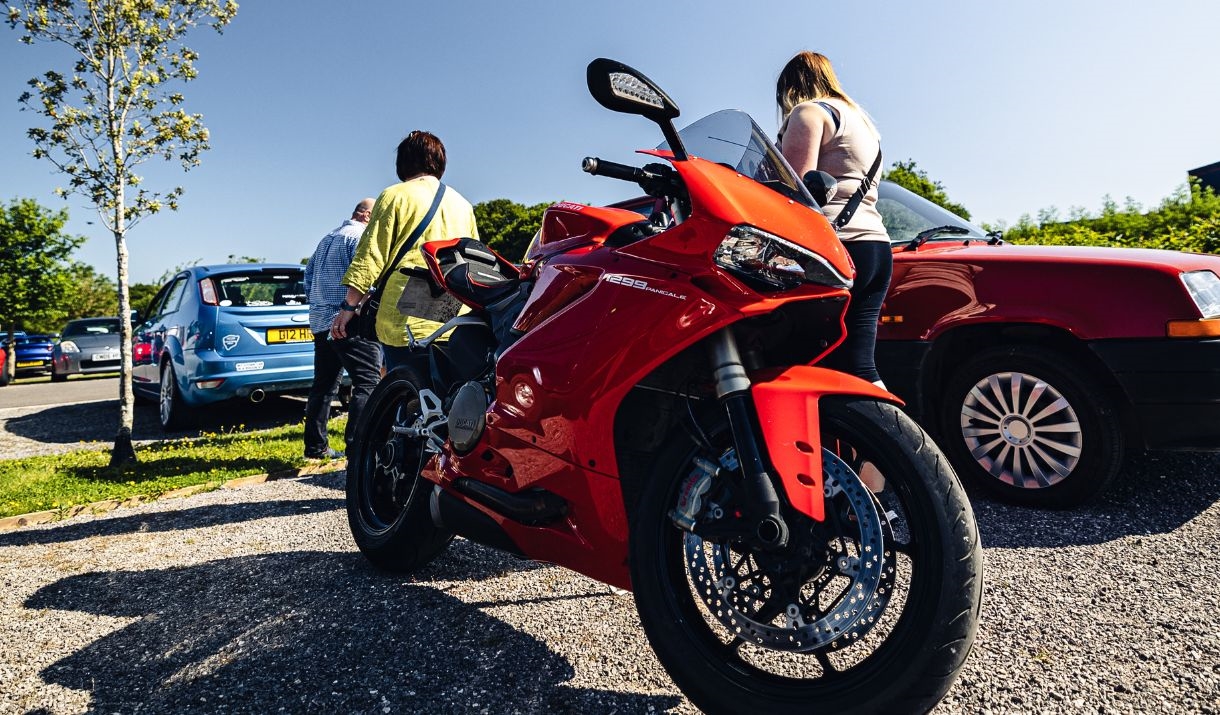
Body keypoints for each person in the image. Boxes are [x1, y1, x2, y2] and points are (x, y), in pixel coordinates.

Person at [776, 51, 890, 389]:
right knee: (860, 366)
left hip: (830, 248)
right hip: (875, 248)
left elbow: (793, 189)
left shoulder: (808, 113)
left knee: (799, 364)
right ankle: (884, 438)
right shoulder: (864, 125)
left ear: (789, 87)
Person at [331, 130, 479, 371]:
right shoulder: (463, 204)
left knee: (405, 388)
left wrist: (348, 308)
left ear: (404, 161)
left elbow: (371, 255)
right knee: (442, 389)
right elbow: (471, 257)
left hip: (404, 310)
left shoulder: (395, 195)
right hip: (451, 307)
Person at [302, 198, 382, 460]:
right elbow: (366, 277)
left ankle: (315, 448)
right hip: (348, 320)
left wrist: (319, 304)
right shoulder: (360, 237)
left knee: (323, 386)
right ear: (368, 216)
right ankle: (357, 450)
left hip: (320, 319)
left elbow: (307, 278)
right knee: (367, 382)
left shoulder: (326, 239)